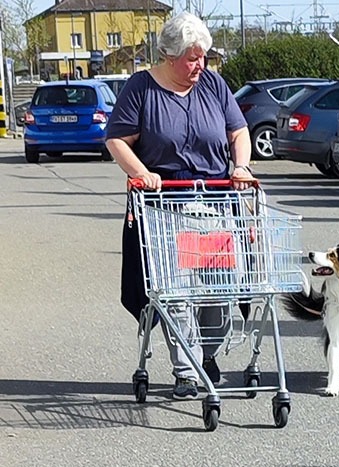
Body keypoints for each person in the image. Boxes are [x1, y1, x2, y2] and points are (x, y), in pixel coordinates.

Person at [105, 12, 253, 401]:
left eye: (202, 56)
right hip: (167, 206)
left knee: (219, 288)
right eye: (191, 58)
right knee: (177, 291)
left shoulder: (214, 86)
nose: (199, 65)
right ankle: (186, 369)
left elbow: (238, 131)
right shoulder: (141, 88)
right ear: (168, 56)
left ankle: (206, 354)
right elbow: (117, 139)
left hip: (217, 203)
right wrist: (142, 172)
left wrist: (240, 165)